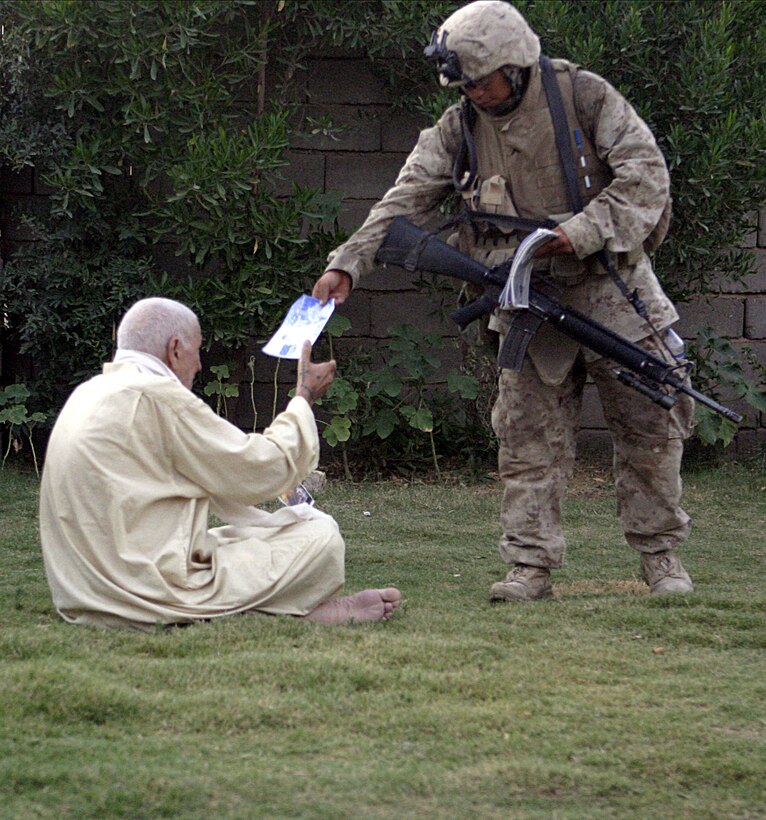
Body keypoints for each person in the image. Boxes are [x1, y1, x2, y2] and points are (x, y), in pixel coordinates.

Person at [313, 0, 695, 601]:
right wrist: (348, 264)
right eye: (464, 85)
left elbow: (647, 177)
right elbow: (402, 200)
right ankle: (529, 566)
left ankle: (660, 558)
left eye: (481, 81)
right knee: (524, 437)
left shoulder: (586, 99)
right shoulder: (459, 126)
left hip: (611, 289)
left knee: (651, 425)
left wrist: (579, 232)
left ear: (516, 65)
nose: (475, 94)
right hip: (525, 300)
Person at [39, 297, 401, 630]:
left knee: (242, 537)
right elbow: (262, 469)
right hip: (141, 593)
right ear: (175, 349)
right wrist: (304, 396)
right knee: (320, 537)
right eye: (197, 352)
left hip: (83, 593)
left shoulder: (87, 393)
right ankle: (294, 609)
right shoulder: (158, 397)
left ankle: (269, 607)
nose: (198, 364)